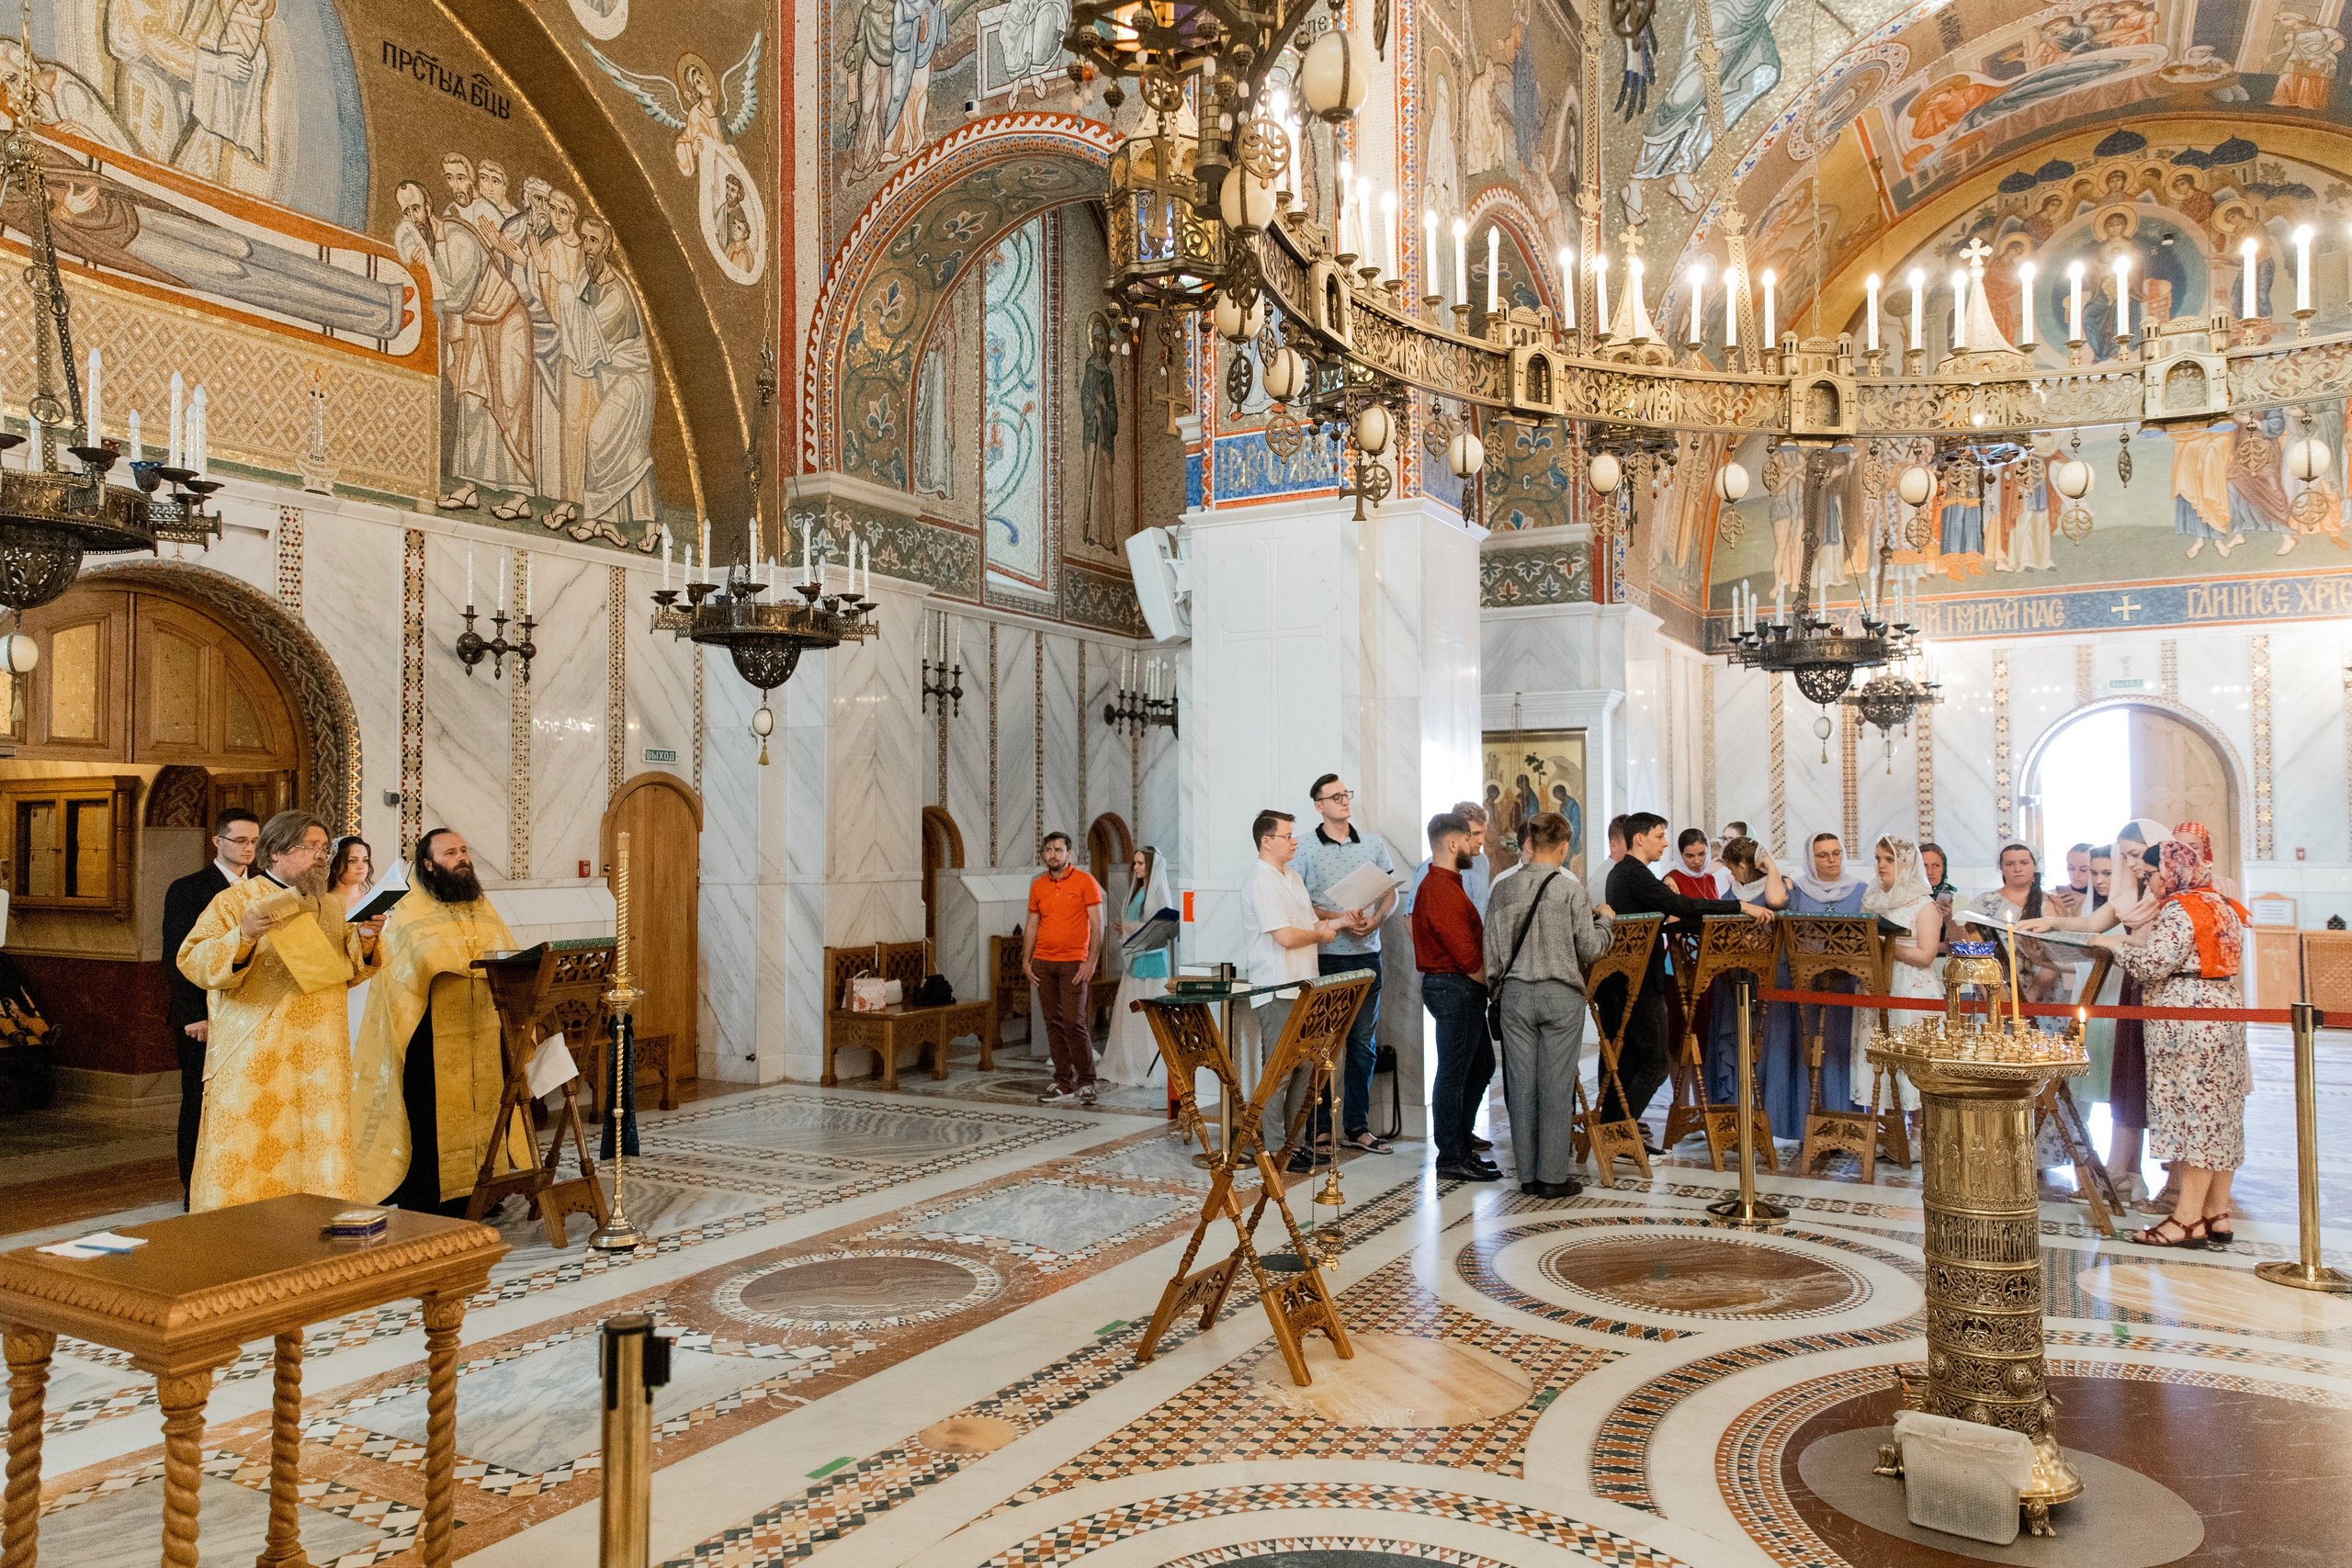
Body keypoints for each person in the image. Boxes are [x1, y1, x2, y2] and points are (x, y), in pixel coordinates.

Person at [176, 811, 383, 1213]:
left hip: (320, 1055)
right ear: (275, 851)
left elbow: (348, 971)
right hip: (256, 1053)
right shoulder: (235, 900)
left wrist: (368, 939)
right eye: (310, 848)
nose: (322, 857)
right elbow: (193, 960)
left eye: (325, 849)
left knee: (315, 1147)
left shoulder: (328, 905)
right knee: (250, 1149)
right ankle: (241, 1235)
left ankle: (317, 1223)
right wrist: (245, 935)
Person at [352, 829, 537, 1213]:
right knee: (429, 1115)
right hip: (428, 1031)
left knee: (487, 1110)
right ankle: (433, 1200)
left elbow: (509, 954)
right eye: (450, 852)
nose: (462, 858)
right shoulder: (407, 909)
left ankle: (483, 1193)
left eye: (464, 850)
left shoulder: (481, 905)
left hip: (485, 1025)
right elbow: (398, 971)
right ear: (428, 864)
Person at [2095, 824, 2250, 1247]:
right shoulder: (2220, 903)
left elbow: (2153, 965)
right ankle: (2217, 1213)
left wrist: (2112, 946)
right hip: (2220, 1014)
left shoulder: (2183, 908)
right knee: (2219, 1115)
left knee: (2195, 1115)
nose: (2148, 882)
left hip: (2188, 1022)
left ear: (2171, 870)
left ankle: (2186, 1220)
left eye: (2150, 875)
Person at [2022, 818, 2168, 1201]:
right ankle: (2121, 1169)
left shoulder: (2166, 892)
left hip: (2155, 991)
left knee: (2143, 1083)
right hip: (2130, 991)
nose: (2132, 866)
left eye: (2136, 856)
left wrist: (2100, 940)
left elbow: (2120, 940)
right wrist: (2052, 921)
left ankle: (2145, 1174)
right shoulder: (2130, 893)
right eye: (2126, 858)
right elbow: (2091, 923)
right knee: (2126, 1081)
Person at [1604, 813, 1769, 1145]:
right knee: (1654, 1063)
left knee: (1633, 1062)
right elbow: (1680, 904)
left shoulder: (1631, 872)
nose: (1665, 843)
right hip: (1636, 984)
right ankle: (1618, 1132)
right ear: (1640, 839)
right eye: (1660, 836)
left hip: (1632, 980)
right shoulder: (1633, 873)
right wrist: (1741, 907)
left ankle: (1616, 1132)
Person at [1484, 811, 1610, 1198]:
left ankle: (1527, 1175)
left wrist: (1498, 990)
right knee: (1556, 1087)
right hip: (1560, 995)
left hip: (1516, 995)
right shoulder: (1570, 889)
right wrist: (1605, 922)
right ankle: (1552, 1178)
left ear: (1529, 844)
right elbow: (1590, 949)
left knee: (1519, 1086)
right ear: (1564, 846)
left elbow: (1491, 953)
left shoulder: (1502, 888)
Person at [1295, 774, 1401, 1154]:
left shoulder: (1372, 843)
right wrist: (1338, 917)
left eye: (1345, 794)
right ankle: (1321, 1127)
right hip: (1325, 958)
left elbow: (1391, 893)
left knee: (1362, 1044)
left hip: (1367, 955)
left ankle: (1358, 1126)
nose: (1344, 801)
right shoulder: (1304, 847)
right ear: (1318, 805)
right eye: (1335, 796)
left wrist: (1375, 920)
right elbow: (1299, 903)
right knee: (1322, 1044)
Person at [161, 807, 257, 1201]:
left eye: (254, 841)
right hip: (202, 1019)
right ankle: (193, 1190)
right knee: (199, 1102)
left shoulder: (265, 888)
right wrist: (195, 1015)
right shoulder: (188, 888)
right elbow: (177, 956)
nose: (249, 848)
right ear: (218, 841)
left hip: (248, 1012)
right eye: (240, 840)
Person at [1244, 811, 1342, 1170]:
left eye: (1294, 834)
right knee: (1280, 1072)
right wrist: (1321, 934)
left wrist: (1340, 921)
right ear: (1267, 841)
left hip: (1305, 988)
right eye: (1288, 835)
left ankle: (1293, 1145)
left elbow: (1307, 923)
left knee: (1305, 1069)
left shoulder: (1292, 876)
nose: (1295, 840)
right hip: (1277, 989)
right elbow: (1284, 937)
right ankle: (1270, 1148)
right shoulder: (1261, 882)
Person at [1760, 833, 1869, 1142]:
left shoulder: (1861, 890)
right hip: (1802, 986)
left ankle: (1843, 1127)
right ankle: (1801, 1126)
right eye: (1822, 855)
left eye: (1836, 853)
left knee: (1838, 1053)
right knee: (1804, 1051)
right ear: (1811, 859)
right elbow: (1775, 903)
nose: (1831, 860)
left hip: (1843, 987)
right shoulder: (1796, 889)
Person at [1415, 811, 1497, 1180]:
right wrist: (1495, 985)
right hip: (1454, 987)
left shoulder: (1449, 882)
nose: (1473, 847)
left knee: (1480, 1066)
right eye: (1468, 840)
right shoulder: (1441, 888)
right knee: (1453, 1073)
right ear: (1452, 844)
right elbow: (1465, 958)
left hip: (1458, 987)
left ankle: (1462, 1144)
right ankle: (1451, 1156)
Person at [1861, 836, 1942, 1132]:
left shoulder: (1924, 905)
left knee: (1915, 1059)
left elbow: (1925, 955)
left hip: (1911, 986)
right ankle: (1888, 1130)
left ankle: (1920, 1133)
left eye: (1890, 859)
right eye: (1879, 858)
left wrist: (1884, 945)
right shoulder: (1872, 898)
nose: (1882, 865)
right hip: (1877, 982)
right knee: (1876, 1055)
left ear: (1906, 863)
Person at [1021, 831, 1105, 1105]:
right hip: (1044, 963)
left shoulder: (1085, 882)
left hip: (1074, 963)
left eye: (1058, 849)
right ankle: (1062, 1081)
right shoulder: (1038, 886)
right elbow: (1032, 924)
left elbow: (1097, 925)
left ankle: (1087, 1081)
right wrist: (1026, 960)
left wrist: (1090, 962)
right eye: (1048, 850)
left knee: (1073, 1021)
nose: (1052, 854)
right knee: (1053, 1025)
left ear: (1069, 853)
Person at [1702, 836, 1786, 1106]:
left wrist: (1771, 865)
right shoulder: (1732, 895)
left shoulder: (1776, 887)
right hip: (1732, 981)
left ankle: (1762, 1115)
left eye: (1731, 868)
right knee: (1735, 1048)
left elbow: (1775, 901)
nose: (1729, 874)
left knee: (1763, 1050)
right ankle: (1736, 1113)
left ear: (1742, 866)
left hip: (1765, 982)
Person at [1098, 845, 1175, 1087]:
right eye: (1135, 863)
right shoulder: (1137, 891)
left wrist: (1130, 927)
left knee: (1148, 1020)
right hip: (1134, 962)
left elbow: (1163, 925)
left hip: (1152, 964)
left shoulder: (1159, 891)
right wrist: (1125, 927)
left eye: (1141, 863)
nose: (1137, 868)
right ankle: (1129, 1065)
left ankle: (1148, 1068)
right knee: (1129, 1019)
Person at [1973, 842, 2067, 1026]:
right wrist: (1996, 997)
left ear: (2035, 866)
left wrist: (2026, 1001)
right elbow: (1973, 951)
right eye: (2010, 864)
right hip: (1993, 993)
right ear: (2001, 867)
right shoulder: (1983, 903)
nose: (2017, 869)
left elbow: (2056, 959)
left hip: (2039, 995)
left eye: (2024, 863)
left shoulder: (2050, 905)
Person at [1411, 800, 1494, 916]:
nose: (1481, 841)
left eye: (1483, 833)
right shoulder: (1431, 866)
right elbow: (1411, 916)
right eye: (1475, 834)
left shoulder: (1482, 861)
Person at [2048, 841, 2096, 917]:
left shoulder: (2109, 899)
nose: (2076, 875)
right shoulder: (2054, 896)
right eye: (2071, 868)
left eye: (2083, 869)